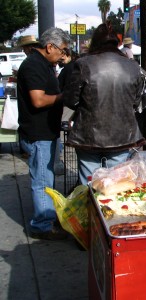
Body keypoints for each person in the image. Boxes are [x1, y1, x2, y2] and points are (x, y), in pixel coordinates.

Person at [62, 22, 146, 186]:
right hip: (122, 137)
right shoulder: (134, 67)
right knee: (115, 186)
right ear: (117, 43)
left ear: (95, 42)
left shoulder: (83, 64)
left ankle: (92, 210)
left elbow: (71, 100)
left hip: (88, 137)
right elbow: (138, 102)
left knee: (90, 186)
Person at [17, 27, 71, 240]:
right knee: (42, 180)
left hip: (46, 131)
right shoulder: (33, 65)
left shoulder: (44, 64)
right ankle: (42, 224)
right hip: (38, 132)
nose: (63, 55)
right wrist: (62, 97)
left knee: (46, 177)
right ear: (50, 46)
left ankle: (47, 216)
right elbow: (38, 100)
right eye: (62, 50)